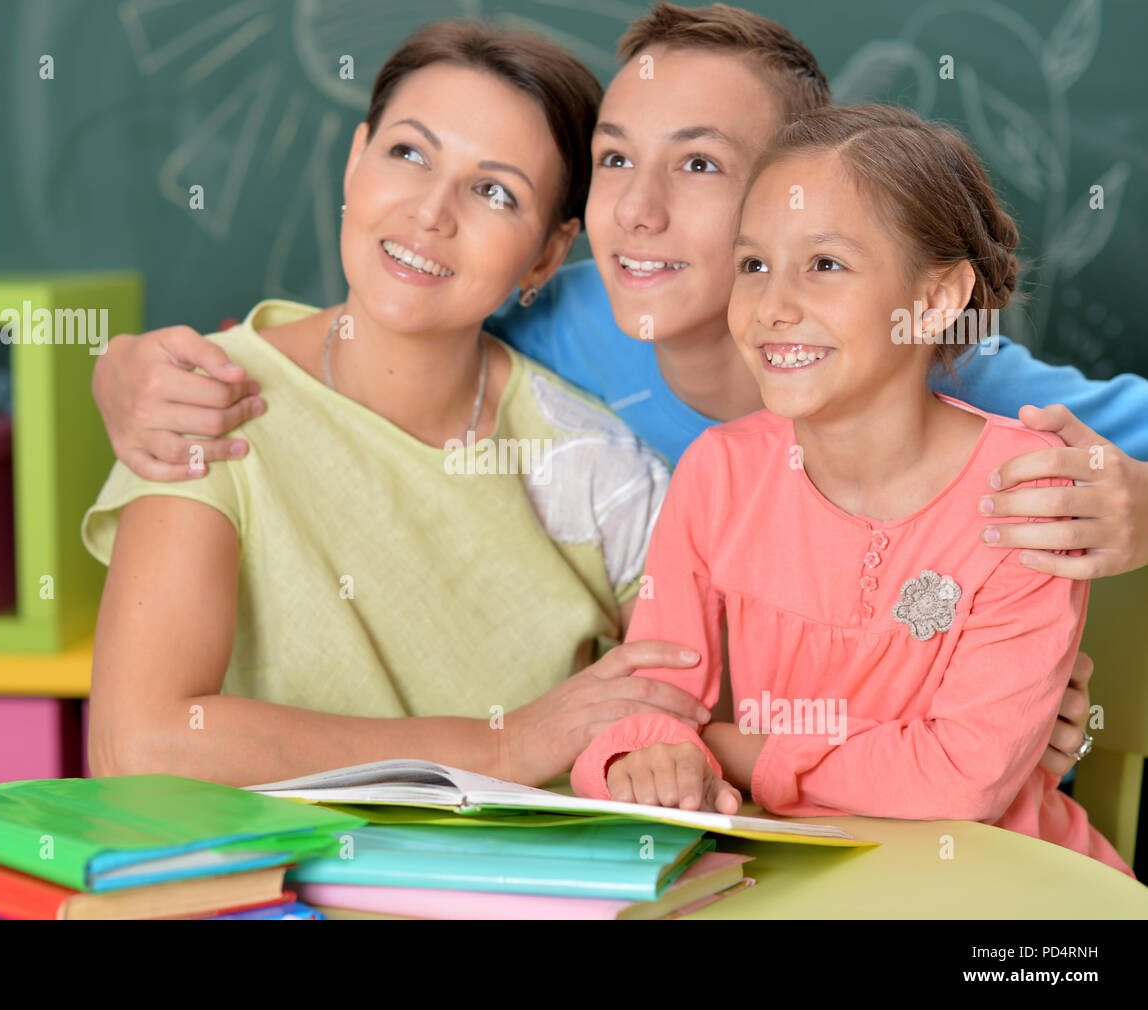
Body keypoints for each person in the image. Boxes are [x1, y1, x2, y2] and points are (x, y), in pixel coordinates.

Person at [88, 3, 1142, 781]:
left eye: (697, 167)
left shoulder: (949, 374)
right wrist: (122, 366)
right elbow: (384, 330)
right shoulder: (546, 333)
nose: (636, 210)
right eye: (614, 160)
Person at [82, 21, 702, 790]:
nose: (431, 213)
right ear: (355, 160)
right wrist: (500, 750)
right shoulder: (204, 402)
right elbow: (139, 745)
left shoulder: (598, 466)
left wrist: (653, 757)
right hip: (275, 898)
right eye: (408, 154)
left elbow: (672, 716)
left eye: (494, 192)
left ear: (546, 253)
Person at [570, 104, 1133, 878]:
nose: (772, 307)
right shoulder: (720, 473)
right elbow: (648, 704)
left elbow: (961, 779)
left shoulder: (1026, 493)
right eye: (754, 265)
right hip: (796, 878)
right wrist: (650, 757)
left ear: (935, 300)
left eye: (825, 264)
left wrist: (733, 750)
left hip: (1003, 886)